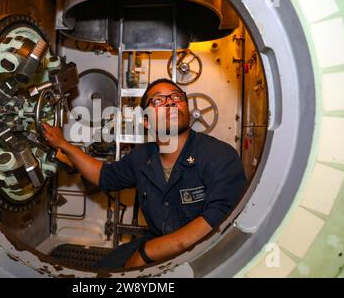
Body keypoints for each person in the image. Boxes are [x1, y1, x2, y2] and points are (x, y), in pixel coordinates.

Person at [42, 78, 247, 270]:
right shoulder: (141, 157)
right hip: (156, 240)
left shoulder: (219, 155)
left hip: (205, 252)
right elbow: (102, 176)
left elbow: (217, 223)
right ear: (146, 121)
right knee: (99, 275)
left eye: (176, 96)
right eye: (158, 100)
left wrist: (146, 253)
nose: (170, 103)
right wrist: (63, 145)